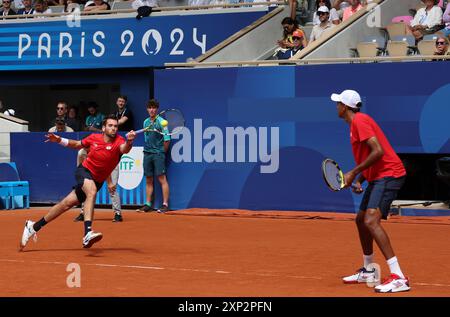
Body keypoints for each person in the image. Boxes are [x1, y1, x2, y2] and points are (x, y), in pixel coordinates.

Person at [331, 89, 410, 293]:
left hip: (390, 174)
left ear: (346, 107)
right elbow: (372, 156)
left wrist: (352, 173)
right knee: (361, 219)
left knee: (371, 220)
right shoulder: (355, 124)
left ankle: (399, 277)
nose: (336, 106)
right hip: (377, 176)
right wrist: (359, 179)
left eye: (338, 102)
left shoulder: (360, 121)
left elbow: (379, 151)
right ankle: (368, 271)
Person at [20, 115, 136, 250]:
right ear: (103, 128)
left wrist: (129, 142)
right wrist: (59, 140)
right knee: (91, 192)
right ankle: (87, 233)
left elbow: (124, 150)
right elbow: (76, 144)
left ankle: (33, 227)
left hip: (97, 180)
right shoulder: (94, 138)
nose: (113, 128)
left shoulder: (119, 142)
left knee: (65, 204)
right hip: (84, 171)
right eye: (110, 126)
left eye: (115, 126)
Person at [137, 99, 170, 213]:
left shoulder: (162, 122)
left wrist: (161, 152)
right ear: (147, 109)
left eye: (154, 108)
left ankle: (165, 204)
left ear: (157, 109)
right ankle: (148, 204)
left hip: (158, 154)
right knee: (149, 179)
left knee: (162, 178)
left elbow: (167, 140)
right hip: (147, 153)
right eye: (150, 108)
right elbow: (146, 138)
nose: (151, 110)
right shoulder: (146, 122)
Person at [73, 147, 123, 222]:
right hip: (93, 167)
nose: (87, 150)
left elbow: (106, 167)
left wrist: (109, 183)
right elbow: (80, 167)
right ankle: (83, 213)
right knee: (86, 189)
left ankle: (118, 214)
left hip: (111, 166)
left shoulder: (100, 151)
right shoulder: (81, 153)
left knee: (112, 188)